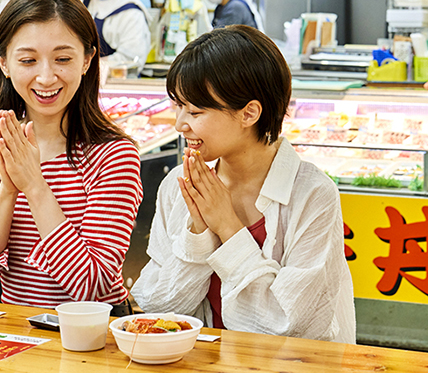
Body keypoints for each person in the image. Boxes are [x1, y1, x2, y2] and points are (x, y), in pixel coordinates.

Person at [131, 25, 354, 343]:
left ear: (249, 113)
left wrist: (227, 226)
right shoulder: (178, 186)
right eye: (177, 106)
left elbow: (288, 324)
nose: (180, 124)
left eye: (195, 110)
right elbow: (158, 309)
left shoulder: (313, 195)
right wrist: (199, 233)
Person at [0, 0, 143, 312]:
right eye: (28, 60)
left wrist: (34, 185)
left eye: (63, 59)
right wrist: (7, 191)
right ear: (4, 62)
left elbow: (90, 285)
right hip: (18, 333)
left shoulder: (113, 154)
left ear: (87, 59)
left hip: (95, 336)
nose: (46, 76)